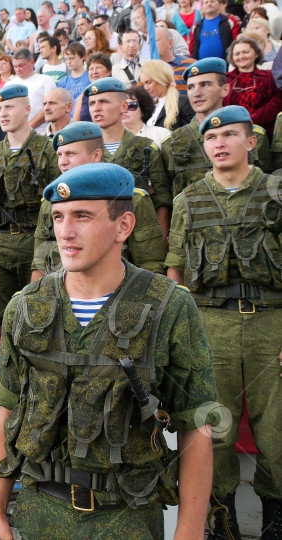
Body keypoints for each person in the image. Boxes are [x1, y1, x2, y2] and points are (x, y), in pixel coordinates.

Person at [0, 161, 218, 539]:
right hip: (38, 515)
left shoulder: (168, 307)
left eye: (82, 216)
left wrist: (189, 532)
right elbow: (7, 411)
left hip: (125, 520)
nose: (65, 232)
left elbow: (196, 427)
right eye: (58, 217)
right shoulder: (26, 306)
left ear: (123, 226)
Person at [165, 105, 282, 540]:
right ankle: (219, 518)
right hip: (209, 325)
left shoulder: (275, 192)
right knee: (213, 429)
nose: (219, 143)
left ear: (251, 142)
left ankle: (276, 518)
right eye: (212, 138)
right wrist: (179, 337)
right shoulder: (188, 200)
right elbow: (175, 270)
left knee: (278, 431)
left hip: (272, 324)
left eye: (230, 135)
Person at [31, 122, 167, 280]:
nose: (62, 162)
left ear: (96, 155)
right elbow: (40, 264)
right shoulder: (51, 201)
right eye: (60, 155)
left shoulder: (132, 199)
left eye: (70, 154)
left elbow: (150, 264)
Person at [0, 85, 60, 316]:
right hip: (0, 242)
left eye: (9, 107)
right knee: (4, 313)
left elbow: (58, 199)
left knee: (39, 309)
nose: (3, 113)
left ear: (27, 109)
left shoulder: (48, 148)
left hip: (36, 240)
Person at [164, 58, 273, 199]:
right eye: (190, 87)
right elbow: (166, 198)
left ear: (225, 89)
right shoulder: (172, 142)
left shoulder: (255, 135)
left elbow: (269, 186)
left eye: (205, 85)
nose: (196, 93)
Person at [86, 78, 172, 234]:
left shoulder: (146, 147)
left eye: (104, 102)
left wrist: (162, 237)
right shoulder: (85, 150)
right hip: (98, 236)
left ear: (124, 106)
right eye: (92, 103)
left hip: (141, 235)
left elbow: (162, 199)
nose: (96, 108)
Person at [224, 35, 282, 136]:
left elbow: (277, 101)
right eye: (237, 54)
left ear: (256, 53)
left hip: (261, 132)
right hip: (232, 131)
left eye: (246, 52)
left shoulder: (269, 76)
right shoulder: (226, 80)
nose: (241, 56)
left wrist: (252, 119)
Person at [10, 49, 57, 133]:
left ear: (32, 62)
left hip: (41, 131)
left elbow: (50, 107)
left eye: (21, 65)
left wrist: (28, 127)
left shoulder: (46, 80)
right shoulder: (10, 84)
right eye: (15, 66)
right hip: (17, 132)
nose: (18, 69)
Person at [139, 60, 194, 131]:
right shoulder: (149, 106)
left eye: (148, 82)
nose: (145, 88)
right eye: (143, 84)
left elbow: (190, 135)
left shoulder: (184, 103)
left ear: (161, 79)